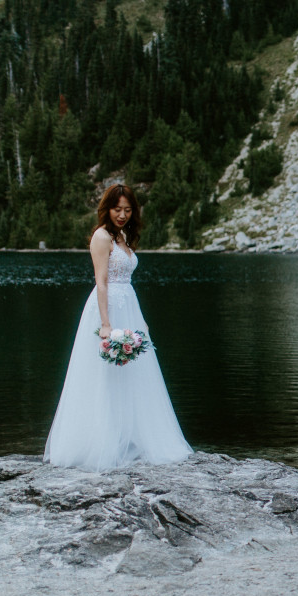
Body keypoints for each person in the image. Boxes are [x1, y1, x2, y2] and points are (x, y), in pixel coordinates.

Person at [44, 184, 192, 471]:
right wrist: (106, 324)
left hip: (128, 306)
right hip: (108, 307)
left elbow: (126, 280)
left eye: (127, 210)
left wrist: (141, 320)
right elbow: (102, 281)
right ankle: (100, 442)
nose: (123, 215)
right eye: (117, 209)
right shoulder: (101, 237)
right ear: (107, 209)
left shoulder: (122, 235)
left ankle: (130, 438)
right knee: (104, 375)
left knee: (134, 373)